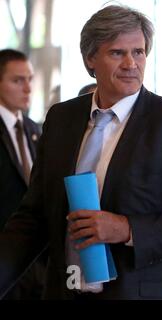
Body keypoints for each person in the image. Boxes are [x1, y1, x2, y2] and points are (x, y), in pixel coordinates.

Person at [0, 5, 162, 300]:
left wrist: (126, 228)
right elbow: (34, 218)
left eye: (139, 52)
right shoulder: (60, 119)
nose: (132, 63)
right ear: (90, 58)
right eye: (117, 53)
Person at [0, 49, 46, 300]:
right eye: (18, 80)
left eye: (30, 79)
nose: (27, 88)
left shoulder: (33, 129)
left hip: (36, 261)